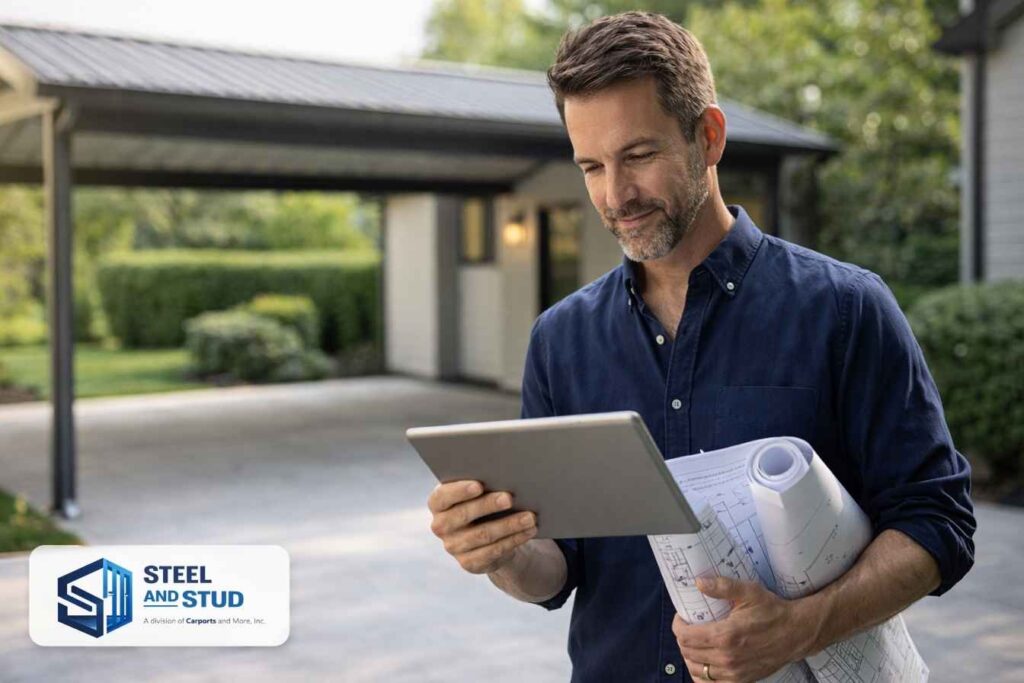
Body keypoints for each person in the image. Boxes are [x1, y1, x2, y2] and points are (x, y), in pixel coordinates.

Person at [426, 11, 975, 683]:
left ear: (707, 137)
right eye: (591, 166)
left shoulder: (844, 309)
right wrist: (499, 552)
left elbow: (938, 522)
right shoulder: (559, 339)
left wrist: (801, 626)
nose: (614, 196)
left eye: (638, 156)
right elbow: (555, 571)